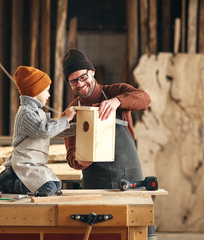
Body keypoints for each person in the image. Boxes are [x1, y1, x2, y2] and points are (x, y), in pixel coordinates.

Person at [61, 49, 157, 240]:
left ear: (92, 72)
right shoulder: (71, 114)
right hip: (95, 183)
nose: (80, 84)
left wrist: (117, 102)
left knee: (138, 231)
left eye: (83, 77)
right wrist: (84, 157)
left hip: (129, 174)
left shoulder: (114, 92)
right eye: (73, 81)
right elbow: (72, 158)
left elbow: (145, 99)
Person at [0, 66, 76, 196]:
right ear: (36, 91)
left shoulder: (38, 112)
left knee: (56, 185)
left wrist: (79, 129)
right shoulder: (26, 113)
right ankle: (10, 181)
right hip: (24, 163)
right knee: (48, 188)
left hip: (35, 163)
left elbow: (55, 130)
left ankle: (18, 181)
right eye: (46, 91)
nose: (49, 94)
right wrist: (66, 119)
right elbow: (45, 131)